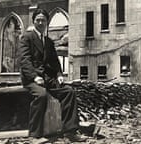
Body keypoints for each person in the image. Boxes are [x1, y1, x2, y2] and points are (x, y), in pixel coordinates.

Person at [19, 8, 86, 143]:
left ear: (47, 22)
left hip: (47, 78)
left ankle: (70, 131)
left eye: (43, 20)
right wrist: (34, 77)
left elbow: (55, 61)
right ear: (34, 21)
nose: (40, 23)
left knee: (69, 92)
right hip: (31, 79)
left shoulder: (48, 41)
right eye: (38, 20)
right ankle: (35, 134)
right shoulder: (27, 38)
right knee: (41, 95)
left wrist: (59, 74)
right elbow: (24, 61)